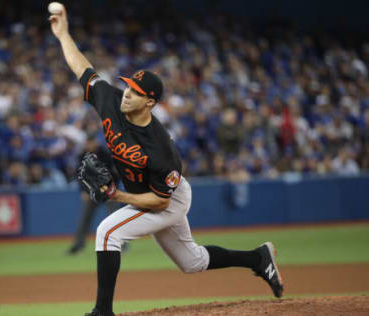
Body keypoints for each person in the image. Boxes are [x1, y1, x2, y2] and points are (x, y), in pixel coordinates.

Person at [49, 6, 284, 316]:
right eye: (128, 87)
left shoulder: (162, 151)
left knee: (107, 231)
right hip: (148, 195)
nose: (127, 94)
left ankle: (102, 311)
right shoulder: (110, 101)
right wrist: (63, 34)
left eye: (135, 92)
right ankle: (258, 258)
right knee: (193, 262)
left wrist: (116, 196)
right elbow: (81, 67)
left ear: (150, 102)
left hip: (166, 199)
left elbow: (160, 202)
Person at [67, 137, 127, 255]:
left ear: (96, 142)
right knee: (85, 219)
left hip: (108, 192)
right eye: (87, 142)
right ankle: (79, 244)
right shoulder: (82, 155)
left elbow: (115, 173)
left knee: (115, 218)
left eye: (91, 142)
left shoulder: (105, 154)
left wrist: (111, 191)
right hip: (92, 192)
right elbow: (79, 176)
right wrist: (84, 191)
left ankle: (122, 243)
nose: (88, 145)